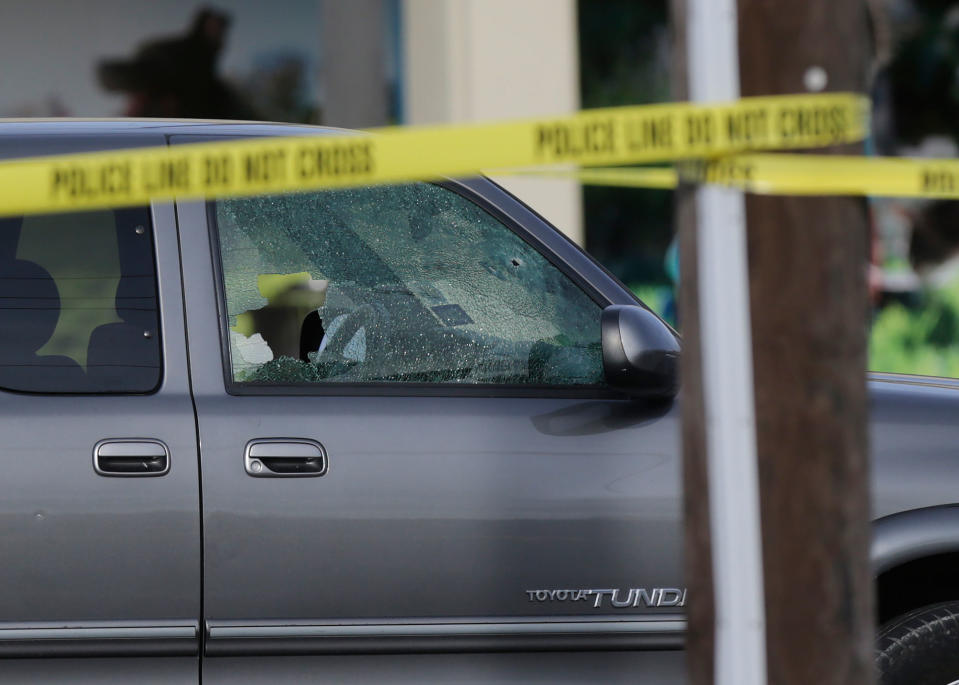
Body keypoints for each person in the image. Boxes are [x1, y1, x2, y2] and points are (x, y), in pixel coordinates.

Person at [97, 7, 259, 120]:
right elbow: (110, 75)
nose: (220, 38)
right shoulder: (173, 53)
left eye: (222, 32)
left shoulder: (214, 88)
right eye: (215, 29)